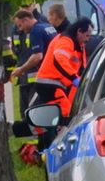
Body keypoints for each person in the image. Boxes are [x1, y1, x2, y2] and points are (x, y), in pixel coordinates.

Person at [32, 16, 94, 149]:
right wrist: (74, 78)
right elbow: (59, 59)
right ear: (79, 32)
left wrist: (80, 79)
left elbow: (81, 66)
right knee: (63, 115)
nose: (89, 39)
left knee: (52, 117)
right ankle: (51, 149)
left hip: (55, 84)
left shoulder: (76, 44)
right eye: (87, 35)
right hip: (50, 84)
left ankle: (44, 148)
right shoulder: (65, 40)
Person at [8, 9, 57, 119]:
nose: (20, 29)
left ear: (26, 20)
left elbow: (37, 56)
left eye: (20, 25)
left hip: (47, 74)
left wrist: (21, 69)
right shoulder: (47, 26)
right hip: (56, 73)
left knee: (34, 108)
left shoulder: (35, 31)